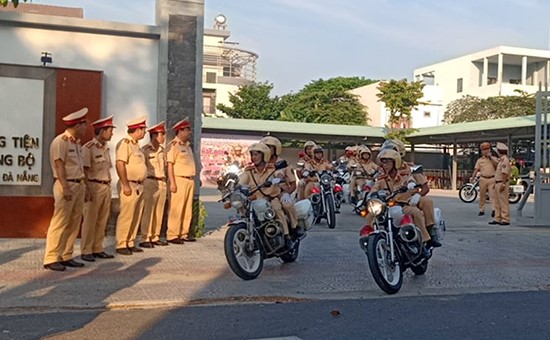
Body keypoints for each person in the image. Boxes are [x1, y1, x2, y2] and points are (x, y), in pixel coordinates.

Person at [43, 107, 89, 271]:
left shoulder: (76, 143)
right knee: (60, 221)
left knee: (74, 222)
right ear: (77, 126)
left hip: (78, 184)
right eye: (84, 125)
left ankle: (66, 255)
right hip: (66, 185)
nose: (86, 128)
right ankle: (51, 257)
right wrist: (65, 187)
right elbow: (59, 165)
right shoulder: (60, 141)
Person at [379, 139, 441, 247]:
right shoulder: (384, 170)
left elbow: (425, 188)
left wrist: (418, 195)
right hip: (395, 203)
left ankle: (430, 235)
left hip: (412, 199)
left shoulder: (411, 168)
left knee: (428, 202)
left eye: (393, 151)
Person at [369, 148, 434, 251]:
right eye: (383, 162)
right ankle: (370, 239)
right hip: (392, 205)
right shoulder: (382, 178)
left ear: (395, 162)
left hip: (407, 203)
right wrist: (371, 195)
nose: (384, 165)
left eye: (387, 162)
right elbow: (375, 188)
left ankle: (426, 240)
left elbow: (412, 181)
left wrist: (414, 191)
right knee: (371, 214)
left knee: (418, 210)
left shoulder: (406, 174)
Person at [239, 142, 294, 247]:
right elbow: (241, 180)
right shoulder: (249, 171)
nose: (253, 157)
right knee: (242, 211)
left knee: (277, 208)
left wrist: (278, 179)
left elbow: (279, 174)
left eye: (256, 154)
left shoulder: (272, 169)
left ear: (264, 155)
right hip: (254, 200)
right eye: (252, 155)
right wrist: (234, 186)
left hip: (271, 198)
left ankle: (286, 237)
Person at [80, 115, 115, 262]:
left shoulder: (106, 149)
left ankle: (97, 247)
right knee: (90, 220)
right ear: (101, 131)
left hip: (105, 186)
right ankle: (86, 250)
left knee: (102, 219)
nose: (112, 133)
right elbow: (85, 171)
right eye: (109, 130)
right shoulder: (88, 148)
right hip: (93, 186)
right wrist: (87, 189)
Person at [114, 116, 148, 255]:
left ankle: (130, 241)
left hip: (139, 185)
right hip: (130, 185)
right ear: (138, 130)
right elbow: (120, 164)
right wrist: (125, 184)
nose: (145, 132)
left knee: (136, 215)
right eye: (143, 130)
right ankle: (121, 243)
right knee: (127, 215)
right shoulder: (125, 144)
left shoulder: (136, 145)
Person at [261, 136, 302, 236]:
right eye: (265, 147)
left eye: (269, 147)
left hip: (280, 193)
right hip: (262, 193)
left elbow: (293, 184)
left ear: (276, 149)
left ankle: (294, 227)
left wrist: (286, 194)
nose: (267, 149)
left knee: (287, 205)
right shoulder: (260, 164)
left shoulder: (284, 164)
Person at [166, 117, 197, 244]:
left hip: (189, 180)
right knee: (176, 208)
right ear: (180, 131)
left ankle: (184, 233)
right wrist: (172, 182)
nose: (189, 132)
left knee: (187, 208)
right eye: (187, 130)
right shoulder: (174, 146)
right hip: (178, 180)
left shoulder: (188, 146)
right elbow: (170, 165)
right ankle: (173, 234)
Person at [139, 121, 168, 248]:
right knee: (148, 211)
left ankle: (155, 236)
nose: (163, 137)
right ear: (154, 136)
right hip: (150, 181)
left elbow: (165, 167)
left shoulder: (162, 151)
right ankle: (145, 237)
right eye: (162, 134)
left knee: (159, 211)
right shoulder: (145, 150)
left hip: (161, 182)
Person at [471, 142, 499, 217]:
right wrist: (472, 178)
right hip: (483, 178)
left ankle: (494, 210)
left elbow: (497, 165)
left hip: (492, 178)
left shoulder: (494, 158)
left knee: (492, 195)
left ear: (490, 149)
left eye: (487, 149)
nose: (486, 151)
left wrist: (491, 157)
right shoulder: (480, 160)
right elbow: (476, 169)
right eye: (484, 150)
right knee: (482, 195)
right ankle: (481, 209)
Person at [489, 142, 511, 226]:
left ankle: (505, 219)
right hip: (498, 182)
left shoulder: (505, 161)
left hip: (502, 183)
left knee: (503, 202)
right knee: (497, 202)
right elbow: (495, 160)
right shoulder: (501, 160)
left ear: (500, 151)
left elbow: (504, 173)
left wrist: (504, 184)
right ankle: (497, 218)